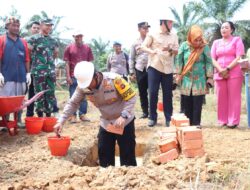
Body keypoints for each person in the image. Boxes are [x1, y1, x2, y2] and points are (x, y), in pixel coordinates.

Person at [54, 61, 137, 167]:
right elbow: (73, 103)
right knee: (104, 154)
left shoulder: (114, 80)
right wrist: (61, 121)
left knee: (127, 156)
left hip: (124, 122)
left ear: (96, 76)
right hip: (107, 123)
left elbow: (131, 97)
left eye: (89, 83)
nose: (88, 87)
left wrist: (123, 115)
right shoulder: (83, 87)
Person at [141, 16, 179, 127]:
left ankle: (168, 118)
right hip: (154, 66)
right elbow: (143, 46)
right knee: (153, 92)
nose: (172, 25)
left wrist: (170, 49)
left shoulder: (174, 35)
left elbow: (176, 51)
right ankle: (152, 118)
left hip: (168, 68)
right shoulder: (152, 34)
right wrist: (152, 51)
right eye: (170, 22)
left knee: (168, 94)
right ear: (163, 23)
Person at [174, 25, 213, 127]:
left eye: (200, 40)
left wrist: (209, 77)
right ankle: (186, 124)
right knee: (186, 103)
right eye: (196, 40)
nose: (198, 43)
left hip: (199, 80)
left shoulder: (205, 47)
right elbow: (179, 60)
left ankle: (196, 124)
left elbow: (209, 62)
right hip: (186, 79)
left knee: (197, 104)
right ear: (190, 37)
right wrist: (178, 74)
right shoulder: (184, 46)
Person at [211, 21, 245, 128]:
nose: (223, 30)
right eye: (222, 28)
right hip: (219, 72)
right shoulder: (216, 42)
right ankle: (222, 120)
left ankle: (233, 121)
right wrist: (221, 69)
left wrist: (228, 68)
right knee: (221, 97)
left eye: (226, 27)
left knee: (234, 97)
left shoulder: (237, 40)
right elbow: (212, 58)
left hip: (234, 72)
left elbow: (239, 56)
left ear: (231, 30)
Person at [0, 17, 31, 128]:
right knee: (6, 101)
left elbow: (27, 59)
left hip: (21, 77)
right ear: (7, 26)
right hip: (7, 77)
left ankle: (18, 121)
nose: (16, 28)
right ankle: (5, 122)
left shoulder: (23, 42)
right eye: (13, 25)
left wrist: (28, 73)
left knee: (19, 100)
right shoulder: (2, 40)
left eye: (18, 26)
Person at [27, 18, 59, 117]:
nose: (49, 27)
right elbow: (28, 53)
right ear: (41, 25)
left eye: (50, 25)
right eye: (47, 25)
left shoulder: (53, 40)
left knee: (50, 93)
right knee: (39, 94)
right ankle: (40, 116)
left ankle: (49, 115)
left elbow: (55, 53)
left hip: (50, 71)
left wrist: (49, 64)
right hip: (38, 71)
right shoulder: (33, 39)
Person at [63, 30, 94, 123]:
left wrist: (90, 76)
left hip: (85, 76)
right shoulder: (69, 48)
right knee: (73, 96)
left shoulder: (87, 48)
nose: (78, 38)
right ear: (74, 37)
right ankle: (73, 116)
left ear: (82, 37)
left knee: (84, 96)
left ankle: (82, 114)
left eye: (80, 36)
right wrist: (68, 76)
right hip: (73, 76)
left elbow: (89, 63)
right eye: (76, 36)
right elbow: (67, 63)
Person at [129, 22, 150, 119]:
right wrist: (132, 72)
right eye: (144, 28)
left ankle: (152, 112)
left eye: (147, 28)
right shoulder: (135, 43)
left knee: (153, 91)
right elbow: (131, 58)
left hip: (151, 68)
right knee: (142, 91)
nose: (146, 30)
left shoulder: (152, 40)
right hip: (140, 69)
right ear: (139, 29)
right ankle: (145, 112)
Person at [26, 21, 40, 117]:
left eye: (38, 28)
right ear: (31, 29)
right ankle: (29, 114)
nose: (36, 29)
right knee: (31, 93)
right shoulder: (25, 40)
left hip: (41, 72)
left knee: (40, 93)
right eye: (34, 27)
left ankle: (40, 113)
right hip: (30, 71)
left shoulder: (43, 41)